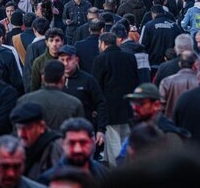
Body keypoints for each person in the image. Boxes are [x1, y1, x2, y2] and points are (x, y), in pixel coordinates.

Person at [92, 32, 139, 166]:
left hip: (109, 108)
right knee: (126, 139)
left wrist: (96, 106)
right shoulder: (130, 57)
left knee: (113, 142)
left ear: (103, 43)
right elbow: (136, 79)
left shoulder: (100, 59)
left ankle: (118, 171)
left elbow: (96, 85)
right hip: (128, 106)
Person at [57, 44, 108, 148]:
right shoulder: (54, 80)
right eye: (62, 60)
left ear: (76, 60)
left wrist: (100, 129)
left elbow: (101, 103)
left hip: (84, 132)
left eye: (69, 59)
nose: (65, 63)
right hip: (60, 134)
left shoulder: (88, 80)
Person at [17, 60, 84, 131]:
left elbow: (17, 130)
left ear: (43, 78)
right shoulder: (74, 104)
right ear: (63, 79)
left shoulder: (24, 101)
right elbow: (80, 132)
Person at [38, 118, 108, 184]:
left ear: (92, 143)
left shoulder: (104, 175)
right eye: (71, 143)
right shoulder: (48, 180)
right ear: (62, 144)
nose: (77, 149)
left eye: (83, 143)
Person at [10, 102, 64, 181]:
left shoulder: (54, 146)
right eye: (19, 128)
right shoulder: (16, 145)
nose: (22, 134)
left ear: (41, 127)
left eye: (27, 128)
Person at [158, 51, 199, 119]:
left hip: (171, 121)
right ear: (195, 64)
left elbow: (161, 105)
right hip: (193, 121)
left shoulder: (166, 81)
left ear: (180, 64)